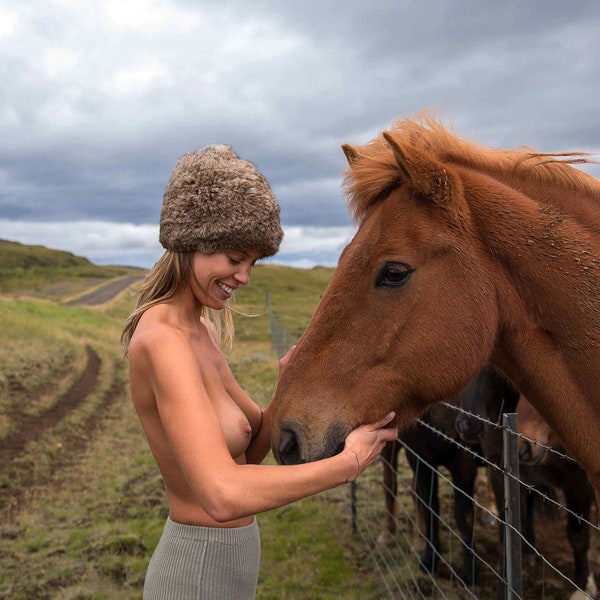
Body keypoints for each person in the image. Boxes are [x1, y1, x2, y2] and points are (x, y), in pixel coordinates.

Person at [121, 144, 398, 599]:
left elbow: (247, 456)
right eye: (234, 258)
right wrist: (347, 464)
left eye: (252, 263)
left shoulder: (201, 332)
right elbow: (222, 494)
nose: (244, 276)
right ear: (191, 240)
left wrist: (287, 381)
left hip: (227, 565)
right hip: (196, 573)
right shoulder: (161, 342)